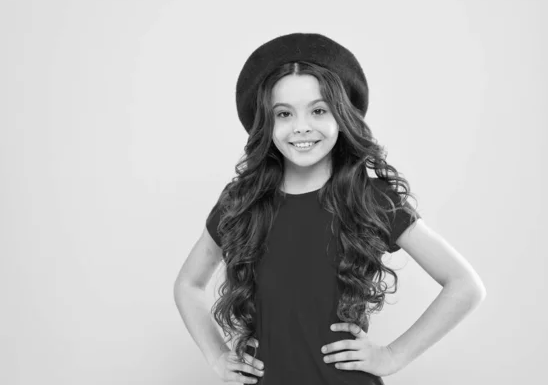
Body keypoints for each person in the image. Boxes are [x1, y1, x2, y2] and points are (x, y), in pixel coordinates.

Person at [174, 32, 486, 385]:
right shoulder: (241, 202)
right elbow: (188, 284)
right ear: (266, 122)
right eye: (284, 113)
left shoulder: (371, 198)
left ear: (341, 116)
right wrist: (217, 357)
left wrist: (393, 356)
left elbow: (464, 285)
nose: (301, 126)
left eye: (318, 110)